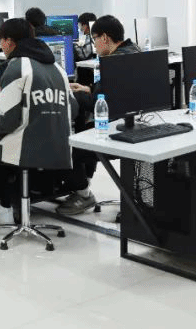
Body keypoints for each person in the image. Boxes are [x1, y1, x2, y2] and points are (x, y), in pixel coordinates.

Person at [0, 18, 77, 230]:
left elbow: (7, 120)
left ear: (9, 42)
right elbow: (72, 109)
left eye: (1, 40)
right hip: (60, 148)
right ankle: (4, 209)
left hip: (29, 148)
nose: (1, 45)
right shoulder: (57, 67)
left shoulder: (16, 67)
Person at [57, 14, 141, 216]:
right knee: (86, 126)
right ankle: (84, 186)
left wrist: (76, 94)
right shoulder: (134, 51)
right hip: (134, 123)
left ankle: (83, 193)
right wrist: (87, 89)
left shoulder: (114, 61)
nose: (94, 44)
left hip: (117, 130)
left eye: (94, 39)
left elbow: (99, 103)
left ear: (104, 37)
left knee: (70, 145)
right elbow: (112, 92)